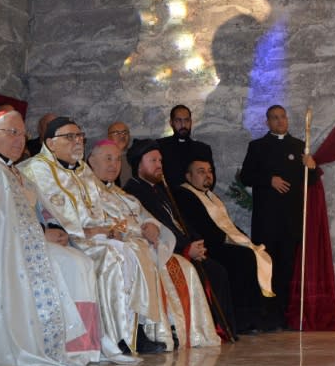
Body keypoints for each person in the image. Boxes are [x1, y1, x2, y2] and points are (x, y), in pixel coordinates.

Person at [19, 117, 168, 355]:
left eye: (79, 136)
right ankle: (114, 335)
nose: (77, 141)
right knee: (112, 258)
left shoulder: (82, 169)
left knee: (130, 252)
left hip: (95, 235)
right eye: (69, 137)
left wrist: (110, 229)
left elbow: (106, 205)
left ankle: (133, 333)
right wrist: (87, 232)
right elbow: (42, 212)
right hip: (67, 238)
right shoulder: (35, 169)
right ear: (50, 142)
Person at [0, 110, 76, 366]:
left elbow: (41, 210)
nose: (19, 140)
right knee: (68, 265)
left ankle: (77, 347)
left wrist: (53, 228)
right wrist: (40, 232)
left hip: (25, 244)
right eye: (11, 133)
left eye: (22, 135)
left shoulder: (14, 172)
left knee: (76, 262)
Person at [88, 139, 222, 348]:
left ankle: (178, 327)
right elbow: (96, 224)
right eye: (108, 159)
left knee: (183, 266)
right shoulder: (88, 192)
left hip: (140, 244)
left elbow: (145, 216)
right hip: (118, 246)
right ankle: (140, 332)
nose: (114, 165)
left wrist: (152, 225)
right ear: (91, 161)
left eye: (116, 159)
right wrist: (138, 231)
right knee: (145, 259)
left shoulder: (121, 193)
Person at [123, 139, 238, 340]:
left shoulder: (159, 188)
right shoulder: (134, 191)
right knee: (211, 272)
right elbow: (161, 227)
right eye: (153, 160)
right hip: (164, 250)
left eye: (160, 160)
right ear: (138, 165)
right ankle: (207, 331)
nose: (159, 165)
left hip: (183, 246)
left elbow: (179, 220)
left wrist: (196, 241)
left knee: (218, 270)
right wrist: (187, 248)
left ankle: (220, 329)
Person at [176, 158, 279, 332]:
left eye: (209, 171)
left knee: (259, 253)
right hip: (207, 246)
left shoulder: (211, 196)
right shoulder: (186, 195)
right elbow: (202, 226)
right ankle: (242, 320)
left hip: (220, 242)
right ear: (188, 176)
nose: (207, 175)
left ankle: (261, 316)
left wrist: (246, 240)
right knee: (243, 257)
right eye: (201, 171)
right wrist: (229, 240)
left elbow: (228, 223)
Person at [239, 104, 318, 320]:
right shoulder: (257, 146)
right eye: (274, 118)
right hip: (266, 220)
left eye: (283, 117)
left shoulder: (300, 146)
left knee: (287, 267)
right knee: (266, 266)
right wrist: (268, 180)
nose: (280, 121)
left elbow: (309, 182)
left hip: (291, 220)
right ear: (268, 122)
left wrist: (311, 167)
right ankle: (265, 315)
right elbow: (245, 176)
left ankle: (284, 315)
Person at [157, 104, 215, 189]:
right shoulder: (160, 146)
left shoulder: (203, 149)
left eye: (186, 120)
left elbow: (210, 179)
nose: (183, 125)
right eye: (178, 120)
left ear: (191, 122)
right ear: (171, 123)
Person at [107, 121, 133, 185]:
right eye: (116, 133)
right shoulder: (103, 159)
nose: (122, 136)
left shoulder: (136, 156)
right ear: (108, 137)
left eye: (125, 132)